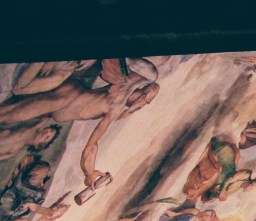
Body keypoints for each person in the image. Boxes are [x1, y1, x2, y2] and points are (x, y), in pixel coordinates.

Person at [0, 58, 160, 188]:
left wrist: (89, 172)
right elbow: (92, 145)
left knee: (9, 112)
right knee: (7, 113)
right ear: (141, 95)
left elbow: (93, 144)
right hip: (65, 99)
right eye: (145, 101)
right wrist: (89, 172)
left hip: (63, 102)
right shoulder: (117, 103)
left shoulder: (120, 98)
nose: (141, 106)